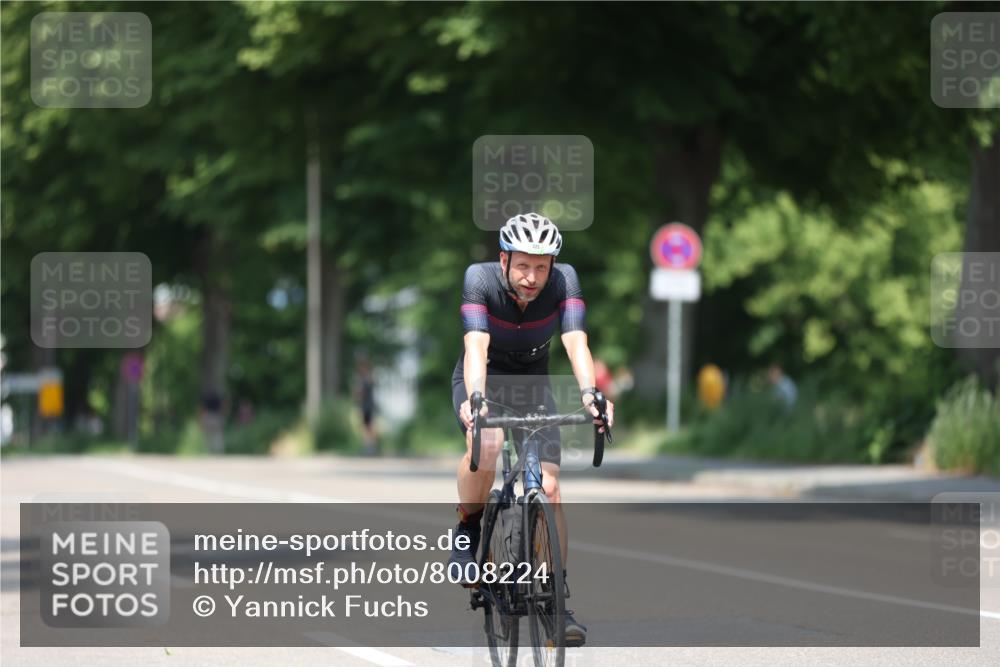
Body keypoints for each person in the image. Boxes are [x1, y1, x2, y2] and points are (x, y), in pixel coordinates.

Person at [448, 212, 614, 647]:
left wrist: (589, 394)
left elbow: (576, 341)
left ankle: (557, 602)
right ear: (503, 259)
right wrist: (476, 400)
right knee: (487, 441)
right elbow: (475, 345)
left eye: (542, 267)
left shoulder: (565, 282)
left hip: (534, 387)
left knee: (552, 489)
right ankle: (468, 528)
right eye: (523, 265)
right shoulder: (479, 280)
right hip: (483, 379)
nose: (532, 277)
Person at [354, 359, 378, 456]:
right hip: (364, 406)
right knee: (365, 427)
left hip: (369, 406)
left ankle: (372, 447)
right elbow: (358, 394)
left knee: (370, 427)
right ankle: (367, 447)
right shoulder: (361, 379)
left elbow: (360, 393)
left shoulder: (367, 378)